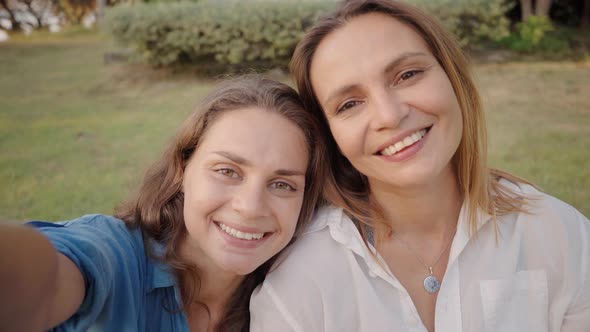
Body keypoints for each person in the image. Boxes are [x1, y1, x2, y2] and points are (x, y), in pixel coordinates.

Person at [249, 1, 590, 331]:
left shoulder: (561, 236)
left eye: (407, 74)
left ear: (452, 75)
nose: (389, 115)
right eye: (350, 103)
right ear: (330, 134)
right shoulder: (300, 282)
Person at [0, 75, 326, 332]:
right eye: (227, 171)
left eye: (282, 184)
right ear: (183, 169)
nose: (251, 207)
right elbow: (43, 275)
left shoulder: (295, 294)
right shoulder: (117, 256)